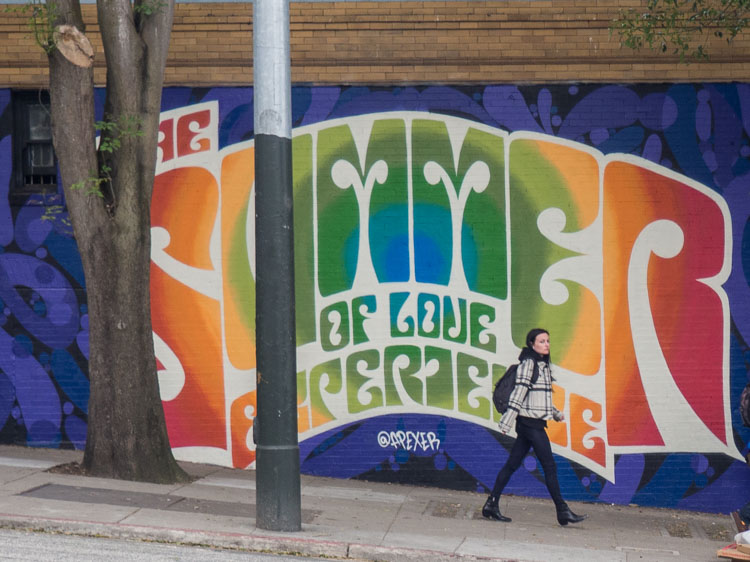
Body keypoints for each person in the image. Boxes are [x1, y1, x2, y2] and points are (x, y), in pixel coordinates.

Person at [482, 328, 587, 526]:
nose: (546, 344)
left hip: (533, 423)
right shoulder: (528, 364)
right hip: (530, 424)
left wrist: (555, 414)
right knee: (549, 466)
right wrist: (506, 421)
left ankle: (491, 503)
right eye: (542, 341)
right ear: (532, 344)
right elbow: (518, 395)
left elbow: (540, 398)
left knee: (512, 465)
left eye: (548, 340)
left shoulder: (542, 365)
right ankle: (562, 511)